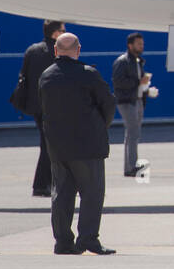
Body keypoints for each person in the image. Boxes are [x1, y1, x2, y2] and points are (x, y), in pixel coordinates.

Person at [39, 33, 118, 255]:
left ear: (55, 51)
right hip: (88, 146)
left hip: (58, 146)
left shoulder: (46, 76)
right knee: (92, 193)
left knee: (62, 194)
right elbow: (108, 104)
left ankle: (63, 242)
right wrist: (102, 125)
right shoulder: (89, 75)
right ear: (78, 50)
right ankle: (88, 239)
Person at [17, 20, 66, 197]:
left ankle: (47, 183)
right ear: (55, 33)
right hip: (53, 106)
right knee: (50, 146)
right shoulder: (58, 51)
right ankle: (43, 184)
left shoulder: (32, 50)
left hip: (36, 105)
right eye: (63, 30)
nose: (65, 33)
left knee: (47, 144)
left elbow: (24, 76)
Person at [112, 32, 151, 177]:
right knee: (133, 134)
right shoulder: (123, 61)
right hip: (127, 101)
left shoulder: (137, 61)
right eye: (139, 44)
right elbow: (118, 82)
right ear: (130, 45)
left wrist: (146, 88)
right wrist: (138, 83)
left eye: (142, 44)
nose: (142, 46)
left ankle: (129, 166)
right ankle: (131, 167)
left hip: (138, 100)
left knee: (132, 134)